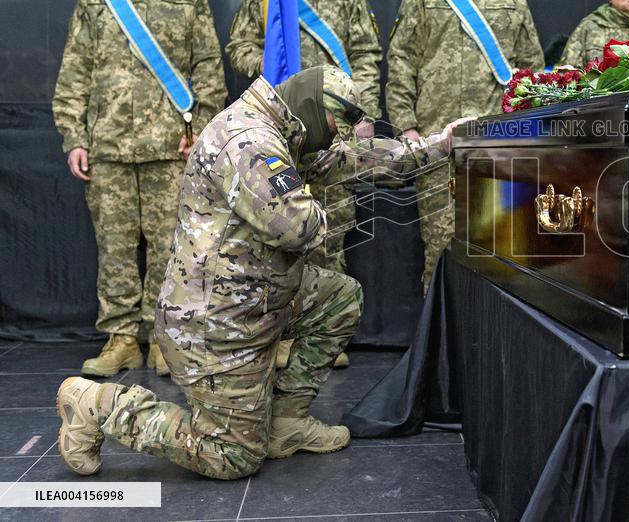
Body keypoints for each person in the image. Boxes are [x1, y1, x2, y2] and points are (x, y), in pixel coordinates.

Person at [55, 65, 472, 480]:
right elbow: (297, 227)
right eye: (334, 126)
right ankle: (99, 404)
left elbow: (358, 161)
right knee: (232, 456)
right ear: (313, 108)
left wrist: (442, 144)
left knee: (339, 298)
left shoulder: (287, 130)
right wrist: (322, 207)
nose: (336, 138)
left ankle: (284, 426)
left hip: (256, 296)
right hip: (213, 325)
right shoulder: (249, 141)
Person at [51, 0, 226, 378]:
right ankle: (123, 338)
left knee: (173, 246)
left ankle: (163, 339)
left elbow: (207, 67)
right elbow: (75, 72)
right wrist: (75, 137)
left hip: (171, 145)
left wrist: (200, 129)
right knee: (115, 247)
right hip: (107, 146)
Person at [228, 0, 382, 369]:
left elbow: (367, 55)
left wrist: (364, 115)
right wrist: (271, 67)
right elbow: (238, 45)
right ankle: (277, 331)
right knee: (276, 227)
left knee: (328, 227)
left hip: (334, 126)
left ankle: (322, 331)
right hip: (279, 125)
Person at [386, 0, 544, 290]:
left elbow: (532, 67)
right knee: (440, 249)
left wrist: (525, 129)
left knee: (500, 248)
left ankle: (489, 348)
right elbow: (401, 61)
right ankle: (437, 347)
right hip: (440, 141)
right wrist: (406, 126)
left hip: (498, 141)